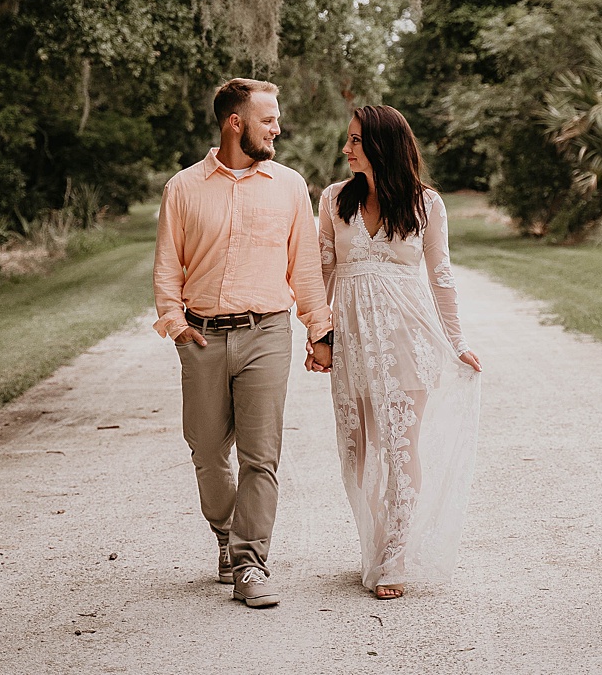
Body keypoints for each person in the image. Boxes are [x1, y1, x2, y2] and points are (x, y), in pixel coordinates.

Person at [152, 77, 332, 609]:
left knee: (261, 457)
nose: (277, 128)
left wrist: (319, 332)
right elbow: (168, 265)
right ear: (237, 122)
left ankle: (251, 562)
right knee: (207, 452)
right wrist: (175, 324)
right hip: (203, 337)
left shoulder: (290, 186)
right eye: (268, 119)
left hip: (268, 333)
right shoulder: (183, 188)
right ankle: (226, 532)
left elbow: (305, 267)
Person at [307, 105, 482, 600]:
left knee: (400, 446)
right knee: (359, 452)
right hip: (356, 342)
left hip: (408, 337)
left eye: (356, 140)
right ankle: (377, 540)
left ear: (382, 145)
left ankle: (396, 555)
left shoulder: (427, 205)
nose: (346, 149)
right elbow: (322, 273)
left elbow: (441, 277)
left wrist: (458, 343)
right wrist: (319, 336)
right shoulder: (334, 199)